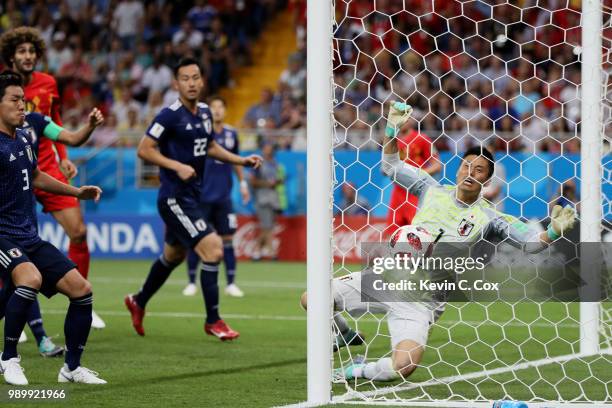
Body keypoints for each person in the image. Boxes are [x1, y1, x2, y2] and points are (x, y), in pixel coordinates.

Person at [300, 101, 576, 382]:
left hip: (423, 300)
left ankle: (354, 370)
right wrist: (393, 127)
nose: (470, 172)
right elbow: (390, 165)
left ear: (487, 180)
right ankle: (345, 333)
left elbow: (532, 242)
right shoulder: (430, 189)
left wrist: (554, 230)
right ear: (457, 170)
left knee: (404, 366)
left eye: (479, 170)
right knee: (311, 299)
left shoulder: (492, 218)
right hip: (387, 279)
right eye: (466, 166)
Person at [124, 58, 262, 341]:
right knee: (213, 249)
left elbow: (210, 146)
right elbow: (144, 149)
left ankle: (138, 300)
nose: (191, 83)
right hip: (174, 198)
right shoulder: (169, 115)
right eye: (185, 78)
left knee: (173, 255)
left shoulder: (204, 113)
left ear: (202, 81)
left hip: (192, 197)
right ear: (176, 84)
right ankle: (214, 320)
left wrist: (241, 160)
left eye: (195, 77)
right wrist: (175, 166)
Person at [0, 71, 106, 385]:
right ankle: (8, 359)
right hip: (2, 234)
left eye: (23, 99)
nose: (23, 106)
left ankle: (71, 368)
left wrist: (76, 192)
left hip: (27, 235)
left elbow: (34, 177)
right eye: (15, 100)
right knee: (29, 278)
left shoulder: (22, 138)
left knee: (82, 290)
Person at [183, 96, 250, 298]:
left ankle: (230, 283)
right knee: (197, 240)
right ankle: (191, 282)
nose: (217, 110)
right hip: (201, 197)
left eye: (221, 107)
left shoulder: (231, 134)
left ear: (225, 110)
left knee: (228, 239)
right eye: (214, 107)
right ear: (208, 111)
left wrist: (243, 183)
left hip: (223, 198)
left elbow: (237, 161)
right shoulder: (200, 132)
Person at [386, 118, 441, 234]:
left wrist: (417, 175)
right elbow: (386, 168)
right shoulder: (392, 142)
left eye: (405, 118)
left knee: (417, 233)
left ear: (411, 120)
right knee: (392, 234)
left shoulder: (422, 139)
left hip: (416, 193)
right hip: (397, 193)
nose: (401, 121)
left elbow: (437, 165)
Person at [250, 143, 284, 260]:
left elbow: (277, 180)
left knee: (268, 226)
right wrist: (267, 184)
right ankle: (271, 252)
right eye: (266, 148)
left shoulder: (275, 164)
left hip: (273, 199)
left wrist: (278, 182)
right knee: (267, 225)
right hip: (262, 198)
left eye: (269, 149)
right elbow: (253, 182)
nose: (267, 151)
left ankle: (257, 251)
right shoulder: (258, 164)